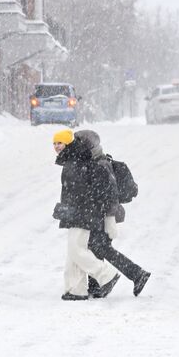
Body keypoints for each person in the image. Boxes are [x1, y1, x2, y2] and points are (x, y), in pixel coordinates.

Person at [76, 130, 150, 298]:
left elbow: (110, 194)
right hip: (98, 214)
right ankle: (97, 287)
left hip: (104, 215)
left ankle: (137, 274)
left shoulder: (101, 164)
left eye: (79, 145)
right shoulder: (95, 161)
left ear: (88, 146)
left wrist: (108, 217)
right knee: (97, 248)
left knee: (100, 248)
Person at [52, 129, 119, 301]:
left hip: (84, 212)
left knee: (76, 249)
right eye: (54, 143)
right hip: (77, 211)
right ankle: (75, 290)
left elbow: (93, 188)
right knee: (73, 251)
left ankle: (106, 275)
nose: (56, 147)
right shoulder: (72, 158)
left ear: (68, 143)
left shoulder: (78, 158)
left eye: (60, 143)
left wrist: (107, 215)